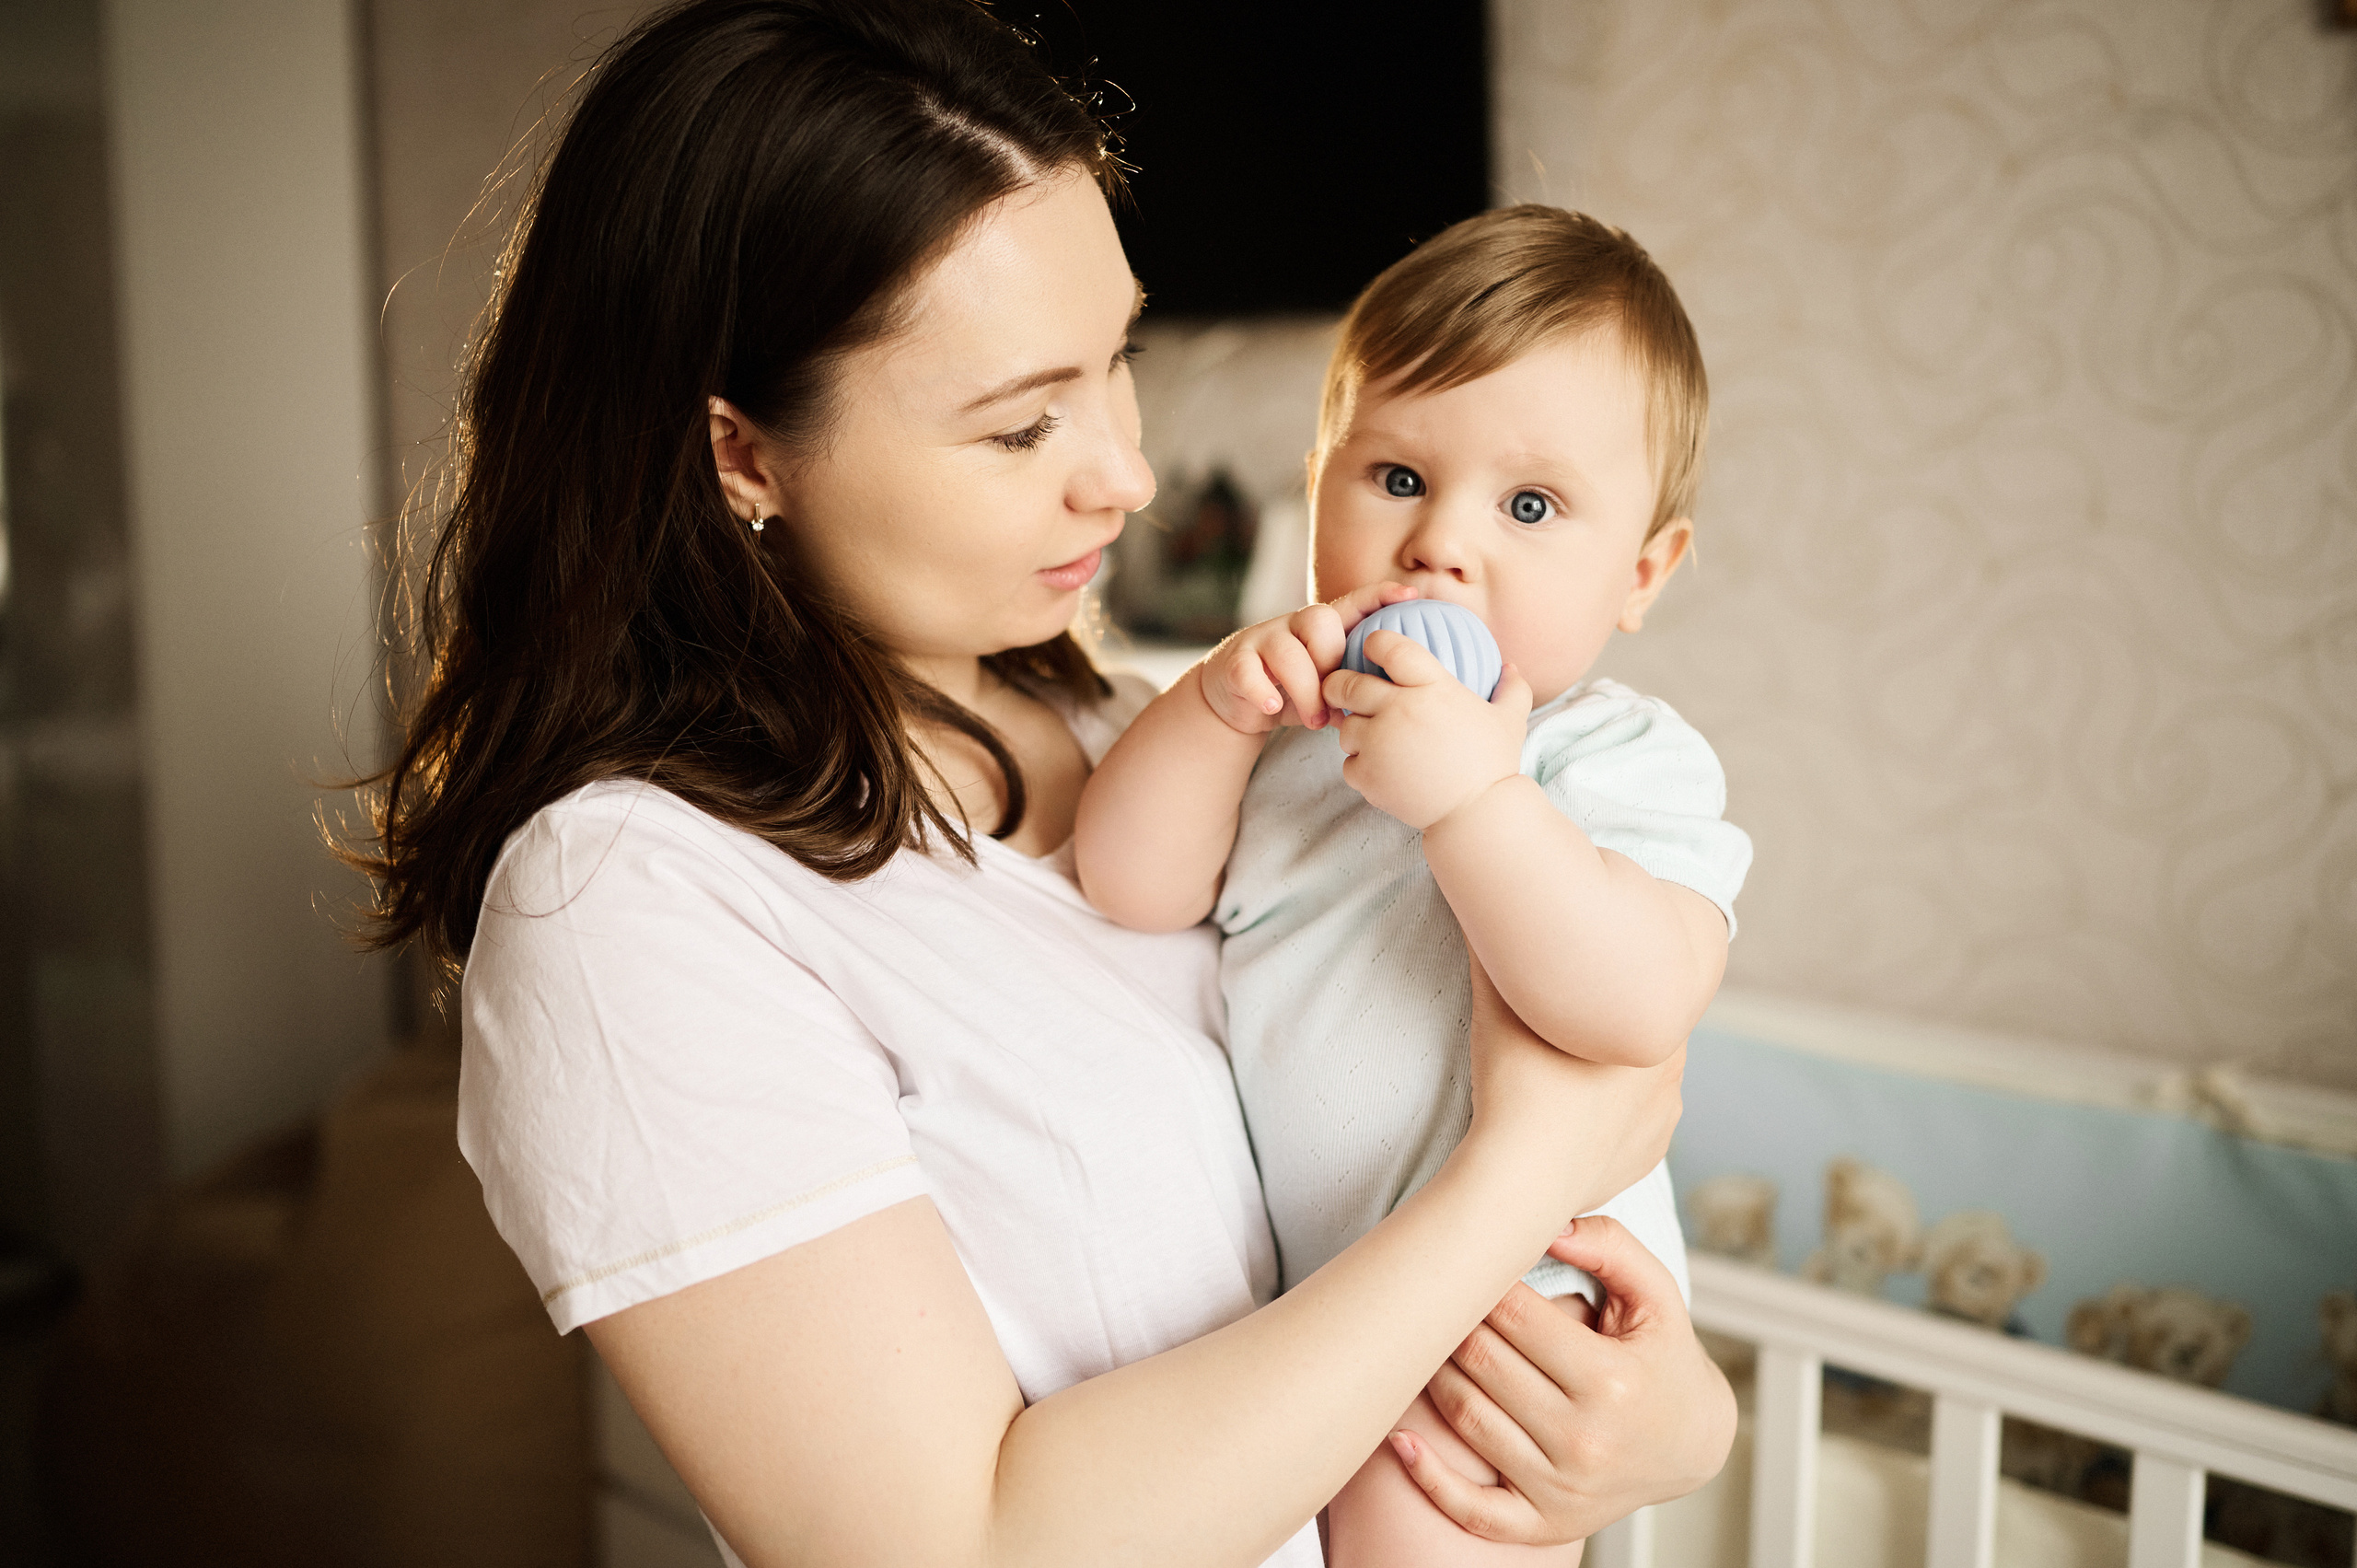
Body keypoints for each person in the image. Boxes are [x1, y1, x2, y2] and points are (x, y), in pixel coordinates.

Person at [347, 4, 1735, 1564]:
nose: (1127, 476)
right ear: (742, 455)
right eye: (1021, 424)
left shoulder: (1151, 725)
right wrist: (1525, 1171)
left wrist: (1670, 1424)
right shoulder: (632, 902)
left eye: (1117, 362)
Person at [1074, 206, 1750, 1566]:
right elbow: (1130, 885)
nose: (1442, 543)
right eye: (1393, 477)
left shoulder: (1606, 757)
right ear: (1317, 481)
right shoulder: (1285, 733)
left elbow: (1634, 1004)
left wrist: (1478, 801)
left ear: (1642, 572)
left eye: (1530, 506)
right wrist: (1212, 706)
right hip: (1320, 1313)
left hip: (1510, 1325)